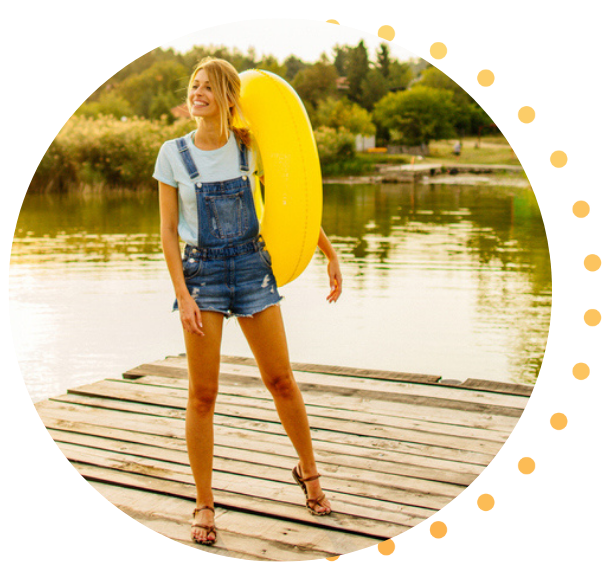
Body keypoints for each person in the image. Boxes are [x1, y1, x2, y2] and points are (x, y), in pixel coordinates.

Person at [153, 57, 343, 546]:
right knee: (203, 394)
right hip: (202, 276)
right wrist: (184, 295)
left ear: (228, 97)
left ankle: (309, 472)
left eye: (208, 87)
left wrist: (328, 252)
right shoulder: (172, 154)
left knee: (280, 380)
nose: (197, 93)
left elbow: (287, 202)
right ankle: (204, 502)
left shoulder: (249, 147)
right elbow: (168, 233)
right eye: (194, 85)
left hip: (252, 269)